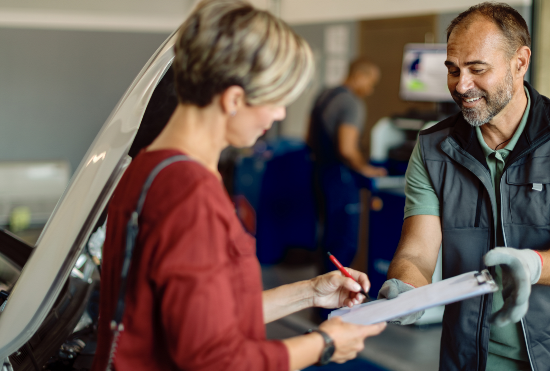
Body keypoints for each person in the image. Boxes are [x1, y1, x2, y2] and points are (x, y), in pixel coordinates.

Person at [91, 1, 386, 371]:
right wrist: (324, 344)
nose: (279, 114)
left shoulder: (149, 166)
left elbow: (208, 315)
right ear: (233, 99)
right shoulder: (191, 194)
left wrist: (311, 292)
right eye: (275, 101)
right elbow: (214, 359)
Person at [378, 3, 550, 371]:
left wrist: (531, 265)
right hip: (469, 356)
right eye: (453, 70)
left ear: (520, 62)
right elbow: (417, 253)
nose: (461, 85)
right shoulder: (433, 147)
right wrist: (405, 290)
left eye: (477, 69)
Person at [307, 59, 386, 271]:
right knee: (344, 244)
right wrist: (366, 169)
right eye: (370, 82)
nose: (370, 90)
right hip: (340, 178)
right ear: (359, 75)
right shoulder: (352, 103)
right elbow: (347, 149)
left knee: (327, 241)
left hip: (318, 173)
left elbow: (308, 137)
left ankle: (322, 300)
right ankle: (335, 302)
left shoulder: (325, 94)